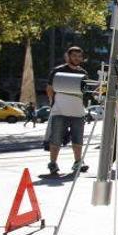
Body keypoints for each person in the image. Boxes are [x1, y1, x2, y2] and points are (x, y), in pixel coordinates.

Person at [46, 46, 89, 175]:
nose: (77, 58)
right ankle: (53, 163)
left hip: (78, 112)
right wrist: (52, 103)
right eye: (74, 55)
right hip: (60, 111)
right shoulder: (58, 71)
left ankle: (77, 162)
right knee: (56, 139)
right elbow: (49, 88)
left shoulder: (83, 73)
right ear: (68, 56)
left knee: (78, 139)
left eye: (79, 56)